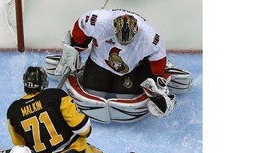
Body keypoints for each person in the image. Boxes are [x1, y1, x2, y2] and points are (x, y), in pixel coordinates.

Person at [6, 66, 134, 153]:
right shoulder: (56, 96)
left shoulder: (13, 111)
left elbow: (21, 148)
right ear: (43, 82)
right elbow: (84, 129)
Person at [48, 8, 193, 121]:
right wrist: (72, 51)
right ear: (113, 28)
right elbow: (79, 31)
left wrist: (156, 86)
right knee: (94, 93)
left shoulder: (150, 37)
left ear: (136, 31)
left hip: (131, 68)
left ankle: (169, 69)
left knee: (125, 98)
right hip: (100, 61)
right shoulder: (98, 21)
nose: (124, 44)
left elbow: (157, 65)